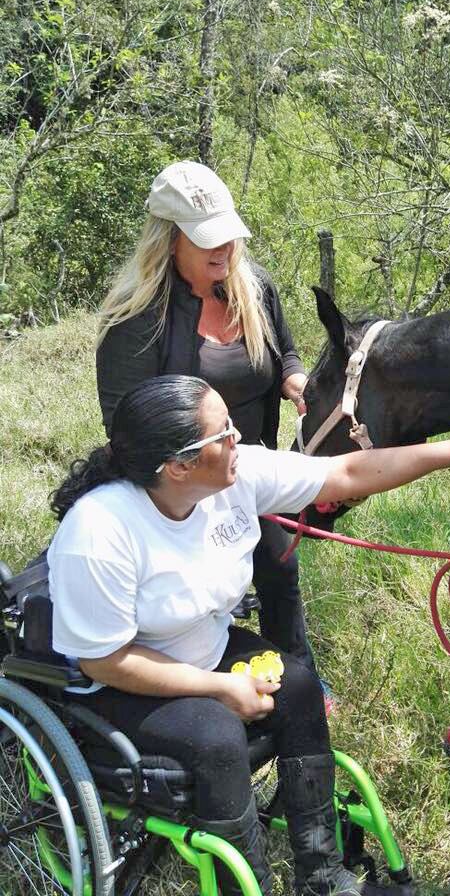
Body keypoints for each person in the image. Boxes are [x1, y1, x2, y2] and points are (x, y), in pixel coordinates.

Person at [48, 374, 450, 896]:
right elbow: (104, 661)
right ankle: (241, 886)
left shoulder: (234, 476)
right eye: (223, 433)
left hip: (203, 647)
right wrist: (218, 688)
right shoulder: (99, 532)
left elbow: (345, 471)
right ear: (179, 466)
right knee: (216, 737)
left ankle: (322, 876)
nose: (238, 438)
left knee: (298, 687)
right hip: (121, 683)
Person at [95, 160, 318, 686]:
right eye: (207, 239)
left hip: (248, 466)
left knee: (279, 567)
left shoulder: (252, 288)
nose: (225, 249)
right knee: (193, 593)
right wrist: (190, 479)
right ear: (169, 239)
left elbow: (285, 354)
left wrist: (295, 382)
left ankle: (299, 677)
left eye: (229, 235)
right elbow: (126, 426)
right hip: (182, 483)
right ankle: (191, 677)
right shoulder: (136, 320)